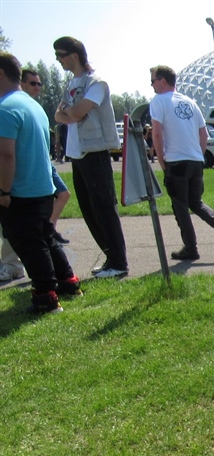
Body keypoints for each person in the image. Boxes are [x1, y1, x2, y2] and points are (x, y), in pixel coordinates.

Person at [0, 52, 83, 313]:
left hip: (20, 190)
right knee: (45, 238)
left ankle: (46, 296)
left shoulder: (5, 108)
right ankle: (68, 282)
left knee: (29, 243)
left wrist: (3, 190)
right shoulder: (33, 106)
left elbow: (6, 155)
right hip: (42, 188)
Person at [53, 36, 128, 278]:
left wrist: (69, 111)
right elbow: (59, 115)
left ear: (74, 55)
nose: (58, 60)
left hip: (94, 153)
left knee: (104, 209)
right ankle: (110, 258)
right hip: (77, 155)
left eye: (60, 55)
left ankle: (119, 263)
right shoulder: (71, 83)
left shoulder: (96, 83)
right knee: (89, 210)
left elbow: (75, 112)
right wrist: (70, 112)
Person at [148, 65, 214, 261]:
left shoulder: (158, 101)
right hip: (196, 160)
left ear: (162, 81)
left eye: (153, 81)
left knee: (180, 206)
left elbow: (157, 133)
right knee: (195, 202)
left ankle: (191, 248)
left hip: (176, 161)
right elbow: (203, 134)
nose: (152, 85)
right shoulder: (190, 102)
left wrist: (161, 159)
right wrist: (198, 155)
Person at [21, 69, 72, 245]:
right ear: (21, 84)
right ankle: (46, 231)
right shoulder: (16, 106)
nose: (37, 87)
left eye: (39, 84)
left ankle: (50, 228)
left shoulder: (36, 107)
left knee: (63, 193)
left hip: (45, 163)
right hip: (30, 164)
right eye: (33, 83)